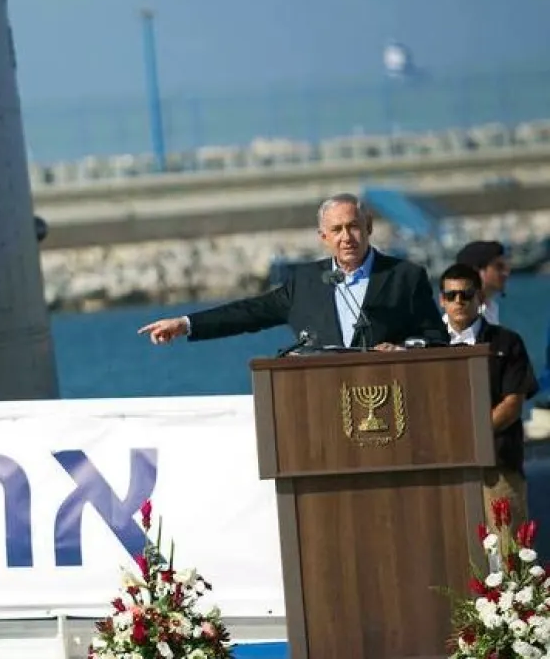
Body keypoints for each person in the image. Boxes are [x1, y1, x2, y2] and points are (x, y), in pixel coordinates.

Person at [137, 193, 447, 348]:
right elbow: (249, 312)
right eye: (336, 229)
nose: (346, 237)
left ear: (368, 227)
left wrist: (404, 349)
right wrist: (185, 323)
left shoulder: (405, 277)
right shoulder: (305, 283)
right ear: (323, 238)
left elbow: (436, 338)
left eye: (353, 227)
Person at [438, 262, 537, 524]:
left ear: (480, 297)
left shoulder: (507, 342)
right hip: (445, 472)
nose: (459, 301)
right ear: (441, 300)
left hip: (499, 468)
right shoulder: (428, 347)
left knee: (508, 553)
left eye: (467, 294)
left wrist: (470, 436)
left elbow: (513, 403)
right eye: (451, 295)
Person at [454, 240, 509, 324]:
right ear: (476, 272)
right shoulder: (463, 317)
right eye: (499, 267)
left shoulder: (490, 309)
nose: (506, 273)